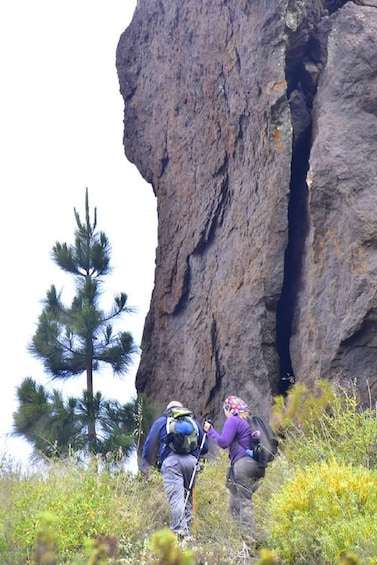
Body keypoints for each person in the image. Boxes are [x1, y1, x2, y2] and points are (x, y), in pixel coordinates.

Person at [140, 400, 208, 538]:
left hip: (172, 463)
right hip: (192, 463)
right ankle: (188, 534)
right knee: (187, 498)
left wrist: (145, 463)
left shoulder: (162, 422)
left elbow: (149, 444)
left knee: (176, 499)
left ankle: (179, 533)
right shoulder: (193, 423)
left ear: (168, 410)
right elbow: (205, 448)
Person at [203, 395, 265, 538]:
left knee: (244, 501)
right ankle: (242, 536)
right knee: (235, 501)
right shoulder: (249, 422)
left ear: (230, 409)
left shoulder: (233, 420)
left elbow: (224, 442)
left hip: (243, 465)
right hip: (257, 466)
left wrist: (210, 431)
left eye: (225, 409)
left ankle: (250, 538)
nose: (225, 413)